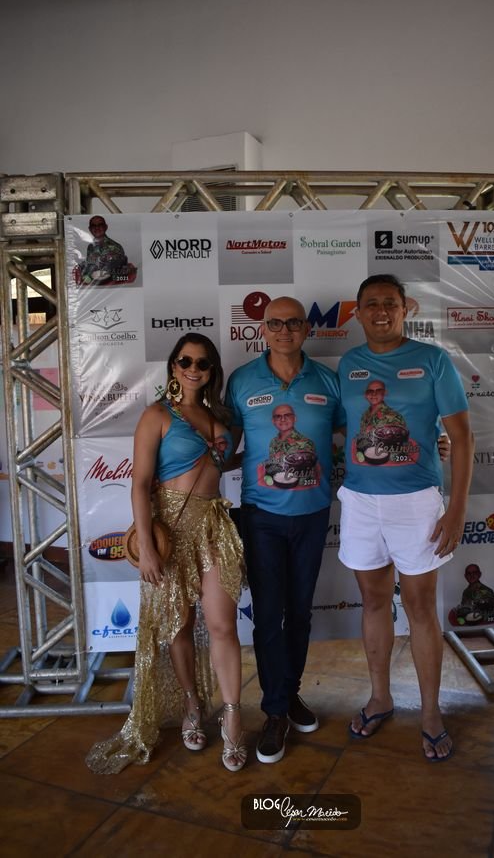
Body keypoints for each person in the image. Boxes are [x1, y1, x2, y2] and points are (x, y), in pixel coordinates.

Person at [86, 333, 247, 774]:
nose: (194, 369)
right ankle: (192, 704)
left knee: (223, 624)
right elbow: (140, 484)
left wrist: (251, 458)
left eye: (203, 363)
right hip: (170, 530)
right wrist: (147, 546)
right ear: (174, 366)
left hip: (214, 526)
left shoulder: (222, 417)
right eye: (186, 361)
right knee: (179, 623)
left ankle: (233, 715)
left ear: (212, 371)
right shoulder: (156, 415)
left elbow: (218, 465)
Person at [337, 274, 474, 762]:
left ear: (404, 309)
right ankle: (380, 697)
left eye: (390, 303)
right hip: (360, 501)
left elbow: (463, 437)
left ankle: (431, 712)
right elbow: (345, 430)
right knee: (374, 601)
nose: (381, 311)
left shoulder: (432, 360)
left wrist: (456, 509)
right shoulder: (348, 365)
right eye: (371, 304)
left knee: (419, 607)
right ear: (357, 312)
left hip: (416, 502)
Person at [225, 297, 344, 764]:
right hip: (261, 518)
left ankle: (290, 694)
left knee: (299, 614)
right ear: (263, 329)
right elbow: (225, 446)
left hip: (313, 515)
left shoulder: (328, 381)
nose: (284, 331)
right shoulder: (241, 380)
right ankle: (274, 711)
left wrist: (427, 442)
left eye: (293, 322)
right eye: (275, 323)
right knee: (268, 615)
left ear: (306, 329)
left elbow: (354, 435)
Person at [80, 215, 128, 282]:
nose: (97, 228)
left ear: (106, 227)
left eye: (100, 225)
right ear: (90, 229)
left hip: (111, 284)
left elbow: (121, 271)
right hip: (94, 284)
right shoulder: (90, 247)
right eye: (93, 226)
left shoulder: (116, 247)